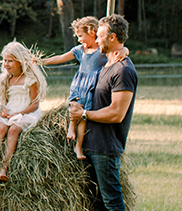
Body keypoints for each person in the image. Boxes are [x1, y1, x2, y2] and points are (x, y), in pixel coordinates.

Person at [69, 14, 137, 211]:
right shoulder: (108, 63)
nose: (96, 40)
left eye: (99, 36)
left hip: (106, 146)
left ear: (113, 37)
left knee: (113, 201)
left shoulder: (124, 70)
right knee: (99, 201)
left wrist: (84, 113)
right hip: (92, 142)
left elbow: (117, 113)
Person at [40, 17, 127, 160]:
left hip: (91, 87)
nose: (79, 39)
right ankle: (70, 128)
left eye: (81, 36)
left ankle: (78, 146)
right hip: (79, 84)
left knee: (83, 116)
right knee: (74, 106)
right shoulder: (80, 50)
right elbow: (61, 57)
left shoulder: (102, 49)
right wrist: (41, 61)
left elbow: (119, 47)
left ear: (92, 32)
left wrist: (124, 50)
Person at [0, 41, 46, 183]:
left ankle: (4, 168)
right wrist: (4, 110)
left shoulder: (30, 80)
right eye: (5, 60)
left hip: (27, 113)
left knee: (13, 130)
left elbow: (35, 104)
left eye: (10, 61)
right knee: (1, 128)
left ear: (20, 61)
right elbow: (6, 102)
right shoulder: (7, 79)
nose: (6, 64)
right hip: (12, 111)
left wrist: (20, 113)